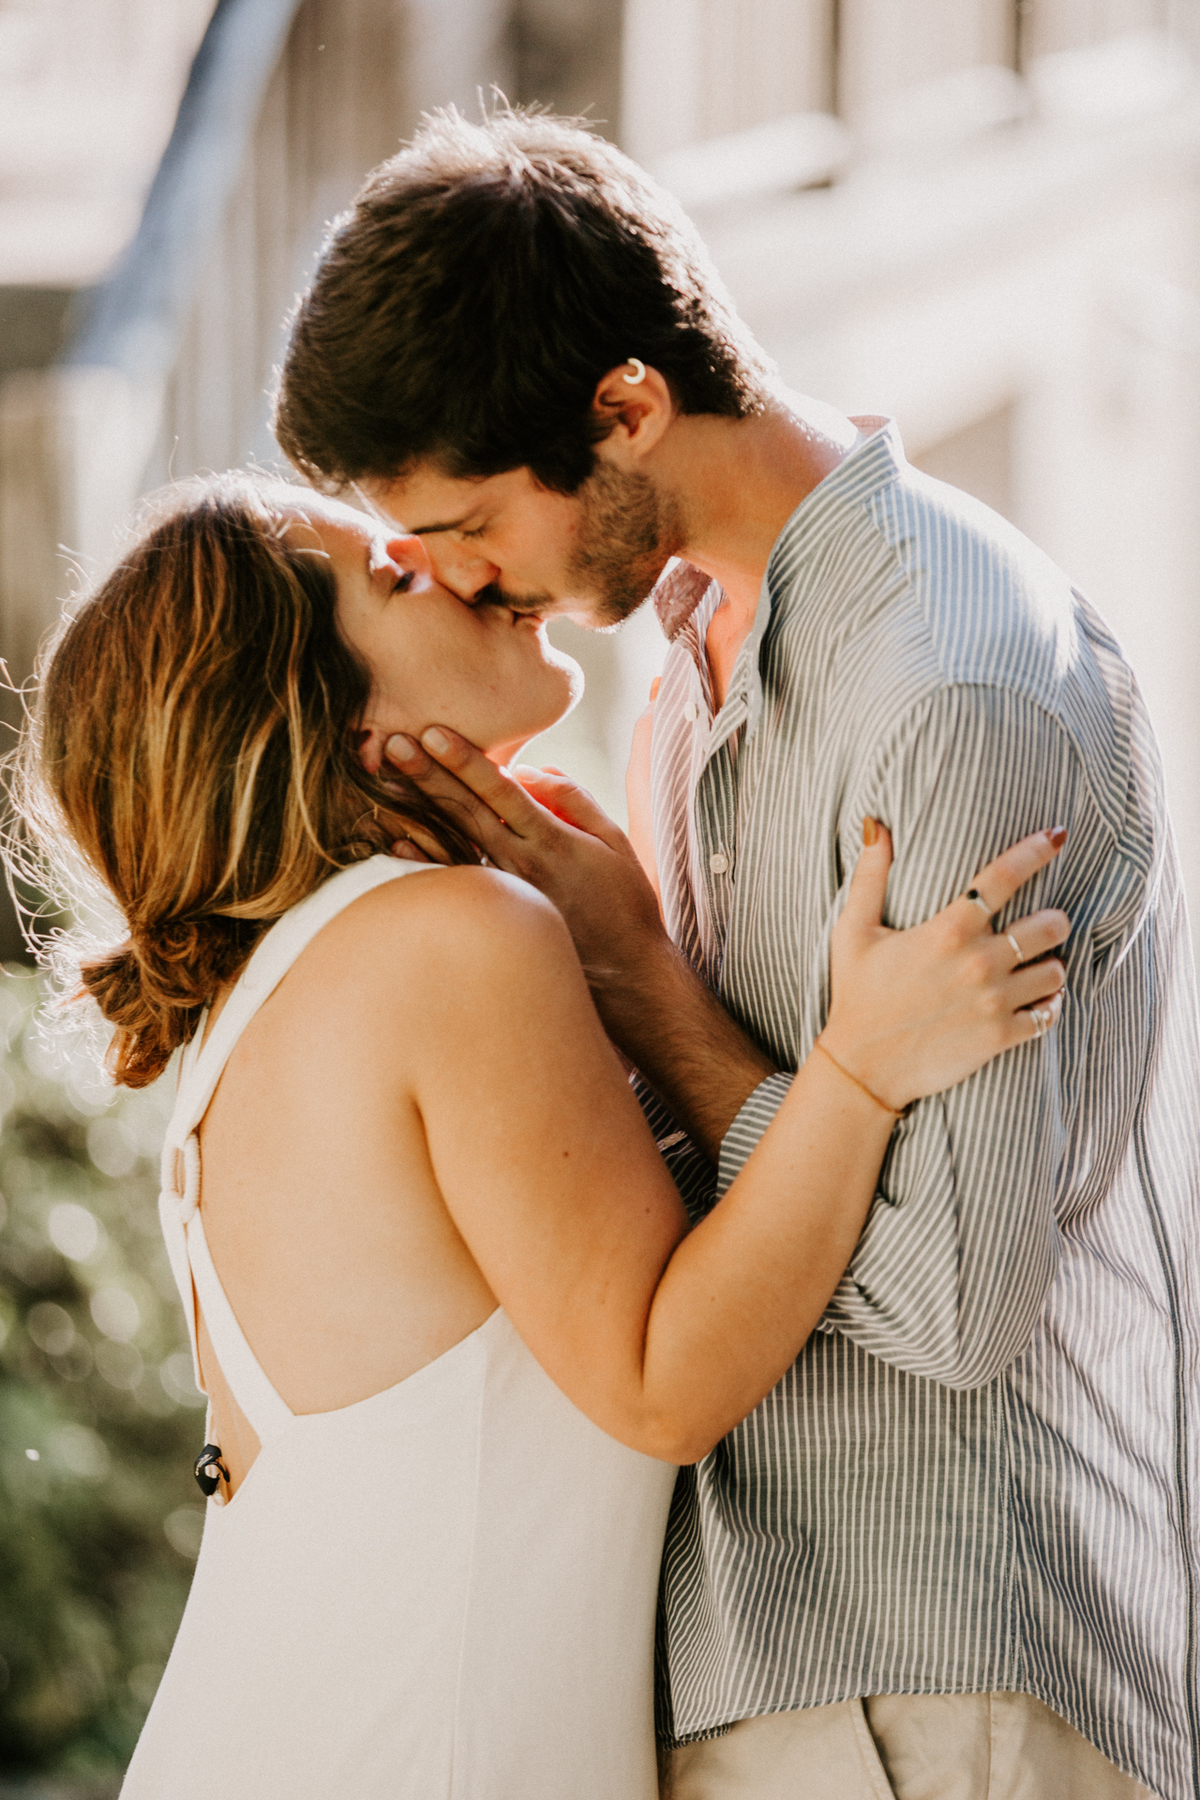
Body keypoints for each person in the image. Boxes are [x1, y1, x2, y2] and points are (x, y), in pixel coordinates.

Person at [274, 108, 1200, 1800]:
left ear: (624, 406)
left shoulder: (948, 690)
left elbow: (949, 1299)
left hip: (933, 1679)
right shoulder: (698, 657)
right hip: (786, 1675)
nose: (472, 580)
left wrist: (645, 987)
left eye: (474, 518)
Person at [7, 472, 1066, 1800]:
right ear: (335, 719)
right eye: (390, 578)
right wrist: (859, 1068)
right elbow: (659, 1384)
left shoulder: (265, 1009)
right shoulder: (453, 942)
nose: (449, 567)